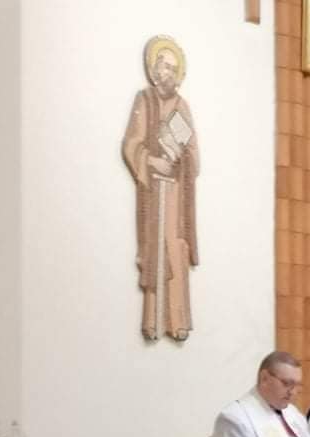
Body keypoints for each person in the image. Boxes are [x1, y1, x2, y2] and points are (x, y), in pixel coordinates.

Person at [123, 36, 199, 342]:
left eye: (171, 67)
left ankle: (177, 320)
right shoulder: (145, 101)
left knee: (175, 250)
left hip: (176, 196)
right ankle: (152, 321)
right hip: (153, 193)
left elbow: (193, 154)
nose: (165, 72)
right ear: (154, 69)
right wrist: (152, 161)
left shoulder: (181, 107)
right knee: (156, 250)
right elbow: (131, 144)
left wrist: (180, 160)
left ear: (178, 74)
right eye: (161, 66)